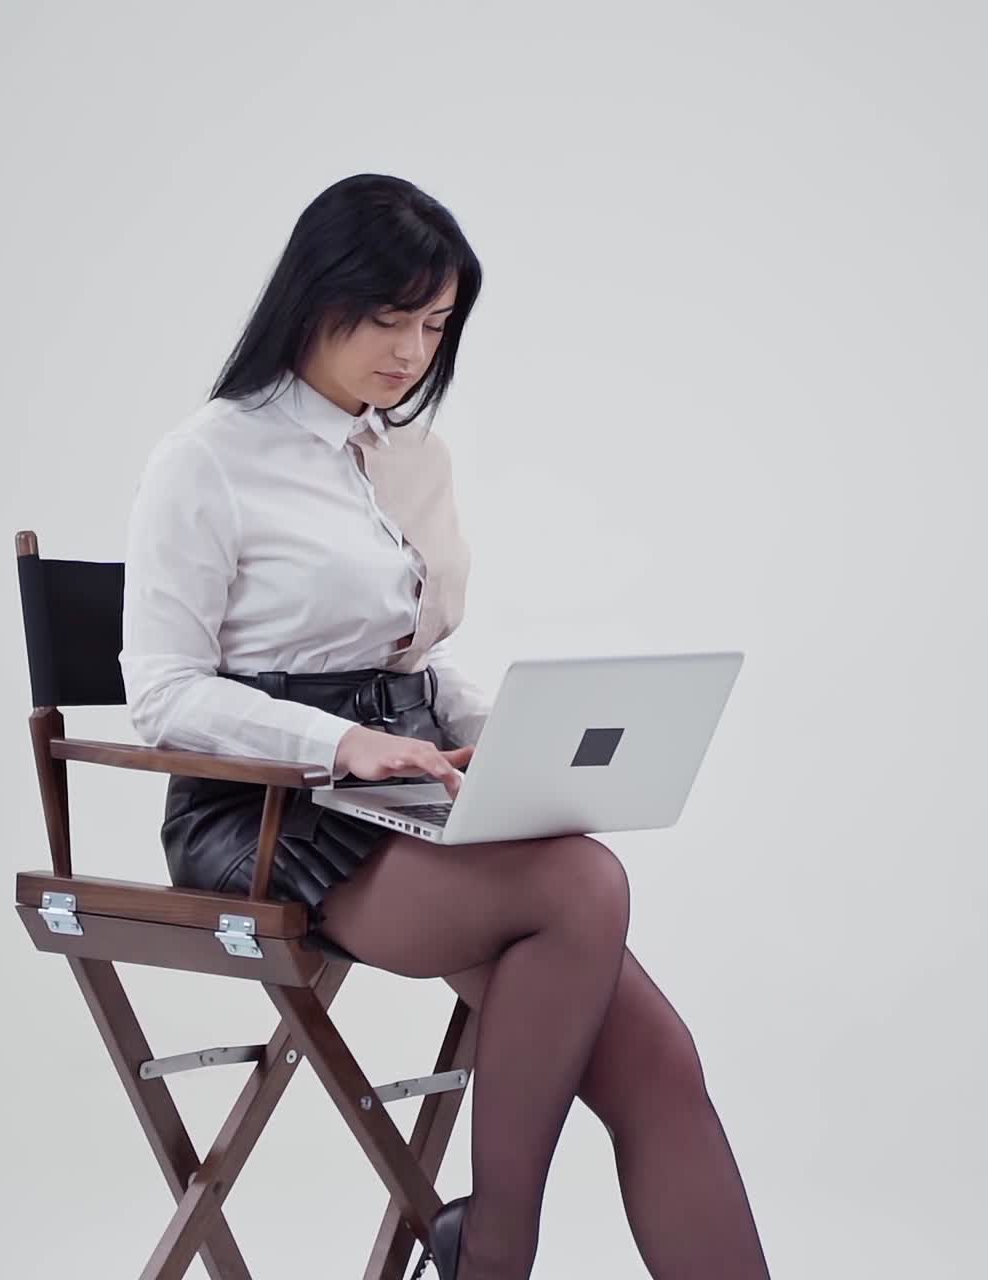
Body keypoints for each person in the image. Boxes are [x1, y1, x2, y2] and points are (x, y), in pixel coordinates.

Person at [118, 173, 770, 1280]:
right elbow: (164, 689)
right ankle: (493, 1254)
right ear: (313, 297)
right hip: (270, 817)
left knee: (662, 1067)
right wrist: (338, 746)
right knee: (577, 883)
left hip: (401, 795)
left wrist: (501, 727)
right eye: (388, 317)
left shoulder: (407, 457)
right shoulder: (207, 459)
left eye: (434, 324)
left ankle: (486, 1252)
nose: (411, 350)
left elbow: (404, 658)